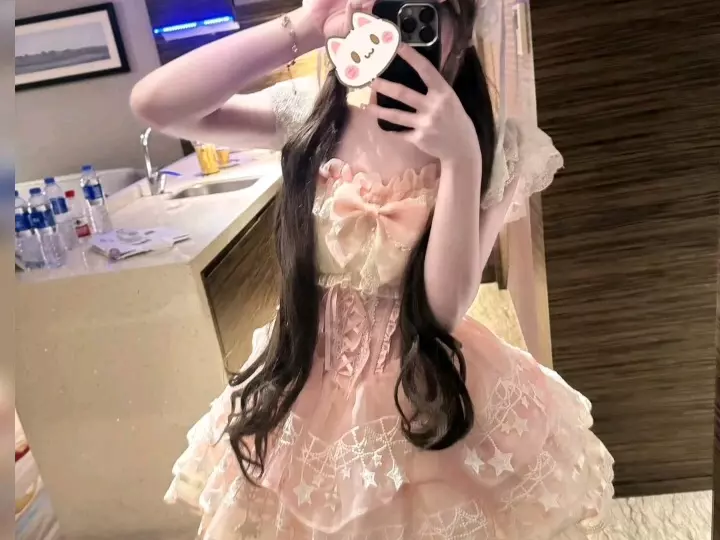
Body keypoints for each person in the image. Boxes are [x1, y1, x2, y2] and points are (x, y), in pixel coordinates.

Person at [130, 0, 614, 537]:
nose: (396, 22)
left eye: (422, 6)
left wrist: (460, 158)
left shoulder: (495, 143)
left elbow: (442, 311)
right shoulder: (310, 113)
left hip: (423, 387)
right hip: (302, 374)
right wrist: (306, 27)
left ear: (464, 25)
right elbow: (156, 104)